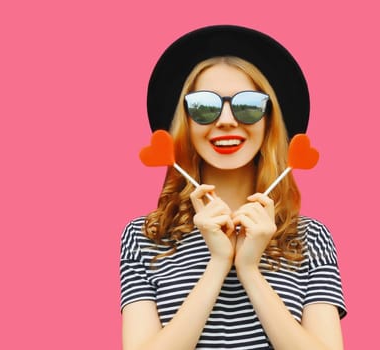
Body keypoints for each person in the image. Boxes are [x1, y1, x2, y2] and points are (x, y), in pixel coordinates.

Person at [120, 25, 346, 350]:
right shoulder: (145, 237)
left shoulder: (311, 238)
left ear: (269, 121)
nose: (226, 120)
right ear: (185, 121)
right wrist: (217, 263)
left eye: (249, 105)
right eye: (203, 106)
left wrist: (249, 269)